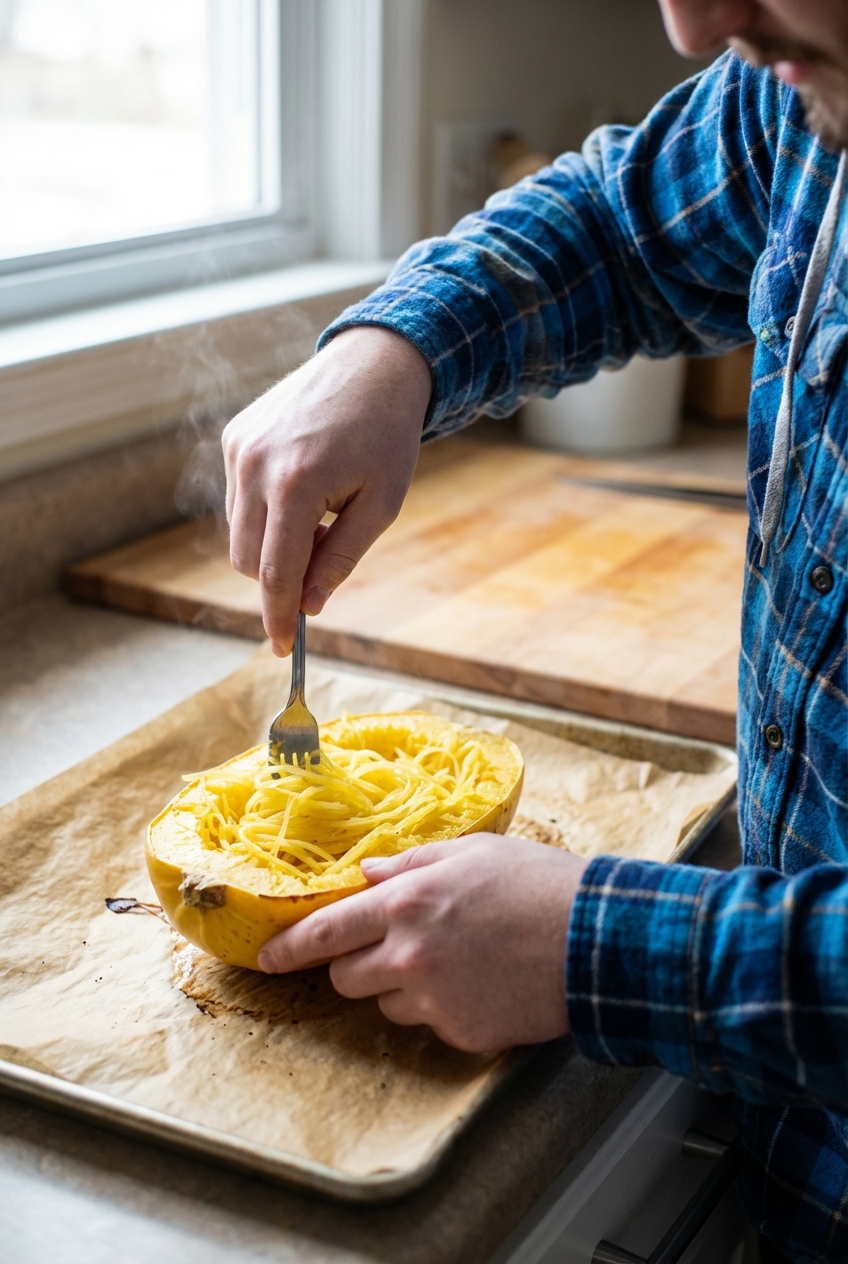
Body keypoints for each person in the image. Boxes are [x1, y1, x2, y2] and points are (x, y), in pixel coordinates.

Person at [221, 2, 847, 1260]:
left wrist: (599, 944)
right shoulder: (809, 86)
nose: (692, 23)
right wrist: (395, 349)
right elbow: (623, 226)